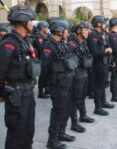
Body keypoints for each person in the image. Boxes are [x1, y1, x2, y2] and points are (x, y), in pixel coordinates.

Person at [0, 5, 39, 149]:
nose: (32, 23)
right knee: (16, 134)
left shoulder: (25, 41)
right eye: (30, 20)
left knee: (28, 131)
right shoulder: (9, 43)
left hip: (28, 92)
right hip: (16, 95)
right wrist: (0, 93)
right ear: (23, 22)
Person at [41, 18, 77, 149]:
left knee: (66, 108)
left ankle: (61, 132)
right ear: (59, 31)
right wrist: (47, 86)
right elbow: (44, 68)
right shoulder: (48, 45)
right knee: (58, 111)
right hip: (57, 84)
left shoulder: (62, 43)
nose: (67, 32)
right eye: (66, 30)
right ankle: (52, 140)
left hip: (67, 81)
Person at [68, 22, 95, 133]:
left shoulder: (84, 43)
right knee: (75, 99)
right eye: (85, 30)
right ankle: (74, 123)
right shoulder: (72, 44)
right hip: (77, 75)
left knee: (82, 96)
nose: (87, 32)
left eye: (87, 30)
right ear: (78, 31)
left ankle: (83, 115)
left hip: (84, 73)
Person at [88, 15, 114, 116]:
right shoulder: (93, 35)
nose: (105, 25)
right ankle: (97, 107)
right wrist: (106, 50)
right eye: (103, 23)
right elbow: (95, 52)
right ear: (99, 24)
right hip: (97, 65)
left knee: (103, 85)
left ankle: (103, 102)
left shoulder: (102, 34)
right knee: (98, 87)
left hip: (104, 63)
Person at [33, 21, 50, 99]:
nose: (47, 29)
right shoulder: (38, 37)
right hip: (40, 58)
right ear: (42, 28)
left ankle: (46, 89)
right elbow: (41, 47)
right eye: (46, 27)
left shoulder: (45, 35)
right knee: (42, 75)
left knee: (46, 74)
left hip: (45, 58)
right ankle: (40, 92)